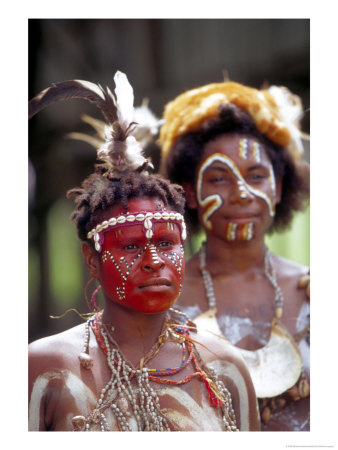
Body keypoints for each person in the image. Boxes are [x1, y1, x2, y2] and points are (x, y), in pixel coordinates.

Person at [28, 72, 260, 432]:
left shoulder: (224, 366)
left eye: (167, 244)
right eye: (131, 246)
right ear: (92, 259)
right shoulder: (46, 366)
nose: (154, 261)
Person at [159, 80, 310, 431]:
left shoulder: (314, 290)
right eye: (218, 179)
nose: (242, 194)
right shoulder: (163, 298)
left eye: (256, 176)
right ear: (189, 195)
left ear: (278, 189)